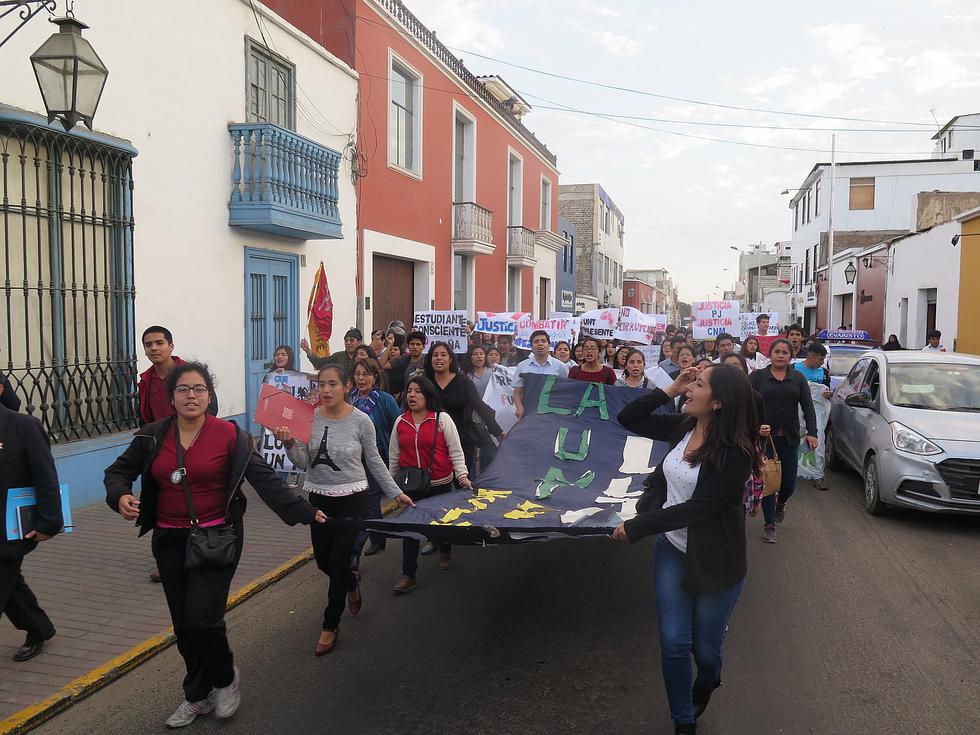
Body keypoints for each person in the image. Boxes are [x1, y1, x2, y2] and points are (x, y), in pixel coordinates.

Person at [105, 362, 327, 727]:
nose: (191, 396)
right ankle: (197, 695)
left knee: (204, 619)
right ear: (171, 396)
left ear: (210, 396)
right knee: (184, 625)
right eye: (183, 390)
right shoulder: (152, 436)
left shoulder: (231, 437)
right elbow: (117, 472)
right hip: (170, 540)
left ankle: (225, 679)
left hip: (217, 538)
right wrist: (121, 496)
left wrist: (304, 511)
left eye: (199, 389)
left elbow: (265, 480)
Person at [614, 364, 760, 735]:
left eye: (698, 384)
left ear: (719, 403)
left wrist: (637, 526)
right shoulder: (682, 426)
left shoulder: (737, 453)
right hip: (672, 551)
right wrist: (669, 389)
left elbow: (698, 509)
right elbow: (628, 416)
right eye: (690, 382)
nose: (689, 389)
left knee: (706, 652)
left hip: (717, 561)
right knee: (674, 642)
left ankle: (709, 679)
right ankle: (683, 720)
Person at [278, 364, 413, 656]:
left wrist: (396, 493)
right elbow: (303, 462)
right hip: (318, 499)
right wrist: (289, 442)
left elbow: (375, 461)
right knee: (324, 563)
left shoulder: (361, 421)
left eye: (332, 384)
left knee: (338, 563)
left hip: (353, 499)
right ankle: (352, 582)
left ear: (346, 386)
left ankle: (330, 624)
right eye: (321, 385)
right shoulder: (309, 418)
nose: (325, 390)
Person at [139, 326, 218, 584]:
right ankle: (166, 561)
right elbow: (145, 416)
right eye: (148, 344)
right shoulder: (146, 380)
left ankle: (201, 552)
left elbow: (211, 408)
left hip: (193, 446)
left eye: (159, 343)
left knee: (193, 502)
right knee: (161, 504)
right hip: (162, 450)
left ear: (171, 346)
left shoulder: (190, 375)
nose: (154, 348)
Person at [389, 376, 472, 591]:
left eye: (418, 391)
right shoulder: (401, 422)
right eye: (409, 391)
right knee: (410, 529)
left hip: (440, 483)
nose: (412, 395)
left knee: (441, 523)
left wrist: (461, 476)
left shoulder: (442, 419)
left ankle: (445, 549)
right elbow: (394, 456)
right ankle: (409, 574)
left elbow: (456, 450)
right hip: (411, 487)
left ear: (428, 395)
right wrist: (393, 489)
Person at [1, 380, 62, 663]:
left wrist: (49, 521)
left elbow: (45, 476)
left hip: (9, 528)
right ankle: (38, 628)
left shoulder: (23, 427)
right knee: (10, 585)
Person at [749, 339, 818, 543]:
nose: (780, 355)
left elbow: (808, 407)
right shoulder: (757, 377)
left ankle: (781, 504)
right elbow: (746, 403)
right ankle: (769, 524)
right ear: (770, 354)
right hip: (764, 440)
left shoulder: (798, 379)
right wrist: (755, 426)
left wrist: (812, 432)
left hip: (789, 439)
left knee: (788, 484)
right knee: (770, 482)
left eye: (784, 352)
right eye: (776, 352)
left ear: (791, 356)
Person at [347, 358, 402, 560]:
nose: (361, 378)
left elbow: (398, 428)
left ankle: (354, 552)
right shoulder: (348, 399)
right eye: (357, 374)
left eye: (366, 374)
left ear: (375, 377)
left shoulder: (384, 400)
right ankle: (378, 538)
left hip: (376, 460)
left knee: (368, 504)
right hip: (352, 461)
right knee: (363, 505)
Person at [425, 342, 505, 479]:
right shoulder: (424, 382)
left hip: (462, 439)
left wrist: (498, 431)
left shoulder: (462, 381)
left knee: (462, 479)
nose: (439, 358)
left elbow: (479, 405)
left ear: (450, 359)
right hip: (431, 441)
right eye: (435, 355)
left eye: (443, 355)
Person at [513, 331, 570, 419]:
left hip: (552, 413)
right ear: (531, 346)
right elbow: (517, 391)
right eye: (536, 342)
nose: (540, 344)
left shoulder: (561, 367)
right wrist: (519, 407)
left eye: (543, 341)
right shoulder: (522, 366)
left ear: (549, 345)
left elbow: (566, 392)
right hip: (528, 411)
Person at [463, 345, 498, 474]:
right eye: (475, 354)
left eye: (481, 354)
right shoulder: (464, 375)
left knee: (488, 446)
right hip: (472, 416)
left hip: (490, 414)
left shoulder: (493, 373)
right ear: (470, 357)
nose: (479, 357)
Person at [385, 331, 427, 400]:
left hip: (425, 403)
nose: (415, 347)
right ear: (408, 346)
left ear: (423, 346)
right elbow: (382, 365)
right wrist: (389, 345)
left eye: (418, 344)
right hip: (407, 404)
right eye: (412, 344)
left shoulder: (428, 360)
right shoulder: (404, 360)